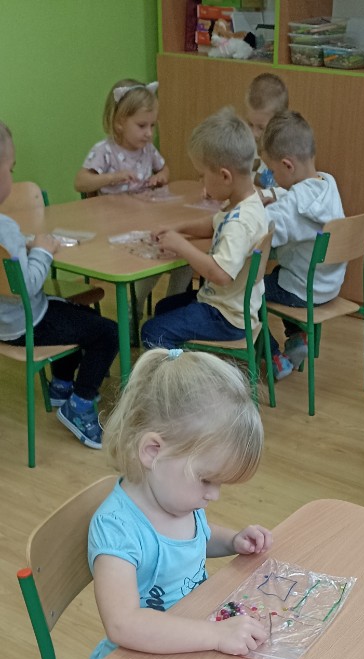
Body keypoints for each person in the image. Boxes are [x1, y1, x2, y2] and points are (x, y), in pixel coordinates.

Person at [87, 347, 271, 659]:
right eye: (207, 479)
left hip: (191, 639)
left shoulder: (176, 499)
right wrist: (215, 635)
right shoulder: (116, 530)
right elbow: (123, 625)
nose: (214, 495)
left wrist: (232, 541)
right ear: (153, 451)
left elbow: (195, 539)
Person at [0, 121, 117, 449]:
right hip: (24, 324)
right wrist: (42, 251)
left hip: (5, 321)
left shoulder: (7, 234)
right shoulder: (4, 227)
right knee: (107, 332)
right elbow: (27, 287)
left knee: (76, 312)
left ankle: (61, 385)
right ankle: (79, 405)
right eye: (11, 169)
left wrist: (26, 246)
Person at [141, 108, 268, 350]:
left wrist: (182, 246)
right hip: (230, 305)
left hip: (226, 317)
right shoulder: (245, 203)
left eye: (202, 176)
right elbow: (213, 224)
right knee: (164, 308)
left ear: (225, 176)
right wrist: (177, 228)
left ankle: (182, 372)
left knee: (152, 332)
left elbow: (220, 274)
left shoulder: (240, 222)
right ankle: (181, 361)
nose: (201, 183)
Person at [75, 80, 190, 322]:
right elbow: (81, 182)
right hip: (116, 228)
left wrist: (160, 177)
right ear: (119, 122)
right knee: (162, 252)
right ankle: (136, 307)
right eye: (141, 126)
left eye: (152, 126)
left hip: (144, 221)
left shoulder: (147, 149)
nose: (149, 133)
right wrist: (112, 177)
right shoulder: (105, 150)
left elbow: (165, 168)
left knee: (181, 251)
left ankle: (169, 307)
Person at [260, 111, 345, 380]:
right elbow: (294, 197)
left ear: (287, 165)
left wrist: (246, 208)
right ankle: (297, 337)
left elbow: (263, 230)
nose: (272, 176)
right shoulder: (327, 183)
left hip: (303, 290)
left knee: (248, 291)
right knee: (278, 275)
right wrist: (275, 195)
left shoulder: (295, 205)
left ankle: (273, 355)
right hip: (328, 284)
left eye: (273, 171)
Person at [245, 73, 289, 192]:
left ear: (279, 123)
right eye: (250, 124)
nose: (254, 134)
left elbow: (280, 189)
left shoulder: (287, 154)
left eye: (261, 128)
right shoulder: (248, 144)